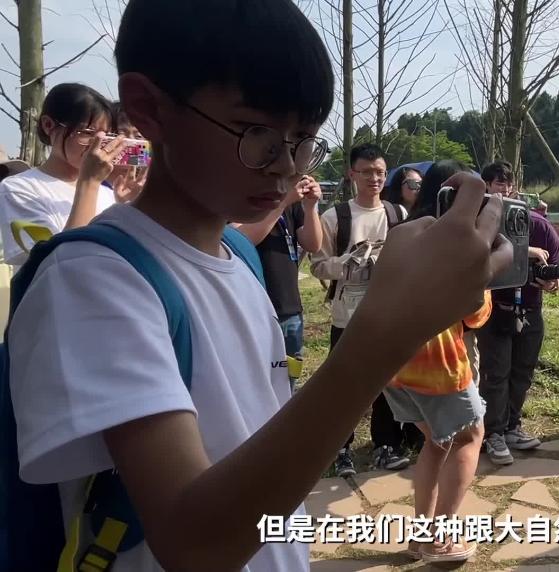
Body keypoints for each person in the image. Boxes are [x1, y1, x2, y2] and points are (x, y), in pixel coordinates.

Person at [6, 1, 511, 570]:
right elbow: (195, 545)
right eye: (259, 135)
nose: (287, 167)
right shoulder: (91, 279)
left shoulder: (239, 254)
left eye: (304, 141)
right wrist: (389, 332)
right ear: (149, 107)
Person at [394, 160, 491, 562]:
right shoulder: (458, 242)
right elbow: (473, 313)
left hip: (395, 360)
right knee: (470, 436)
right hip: (438, 361)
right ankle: (440, 538)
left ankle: (421, 536)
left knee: (438, 441)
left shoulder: (405, 232)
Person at [309, 143, 422, 476]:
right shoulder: (336, 217)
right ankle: (340, 448)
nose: (375, 178)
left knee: (389, 382)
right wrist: (347, 264)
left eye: (380, 172)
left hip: (389, 313)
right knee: (345, 385)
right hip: (348, 315)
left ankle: (385, 444)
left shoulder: (397, 214)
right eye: (367, 172)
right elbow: (317, 266)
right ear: (352, 174)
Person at [477, 160, 559, 465]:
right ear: (486, 186)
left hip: (530, 309)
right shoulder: (481, 223)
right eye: (498, 182)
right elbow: (478, 254)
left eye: (509, 183)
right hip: (495, 309)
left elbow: (556, 261)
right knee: (496, 373)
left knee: (523, 372)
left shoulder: (538, 223)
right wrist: (526, 252)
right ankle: (493, 432)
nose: (505, 188)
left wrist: (554, 280)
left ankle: (512, 425)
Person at [0, 83, 124, 267]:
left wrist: (130, 205)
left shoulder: (108, 193)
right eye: (87, 133)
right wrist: (89, 183)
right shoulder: (18, 189)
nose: (97, 145)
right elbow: (63, 262)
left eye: (105, 136)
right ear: (48, 125)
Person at [235, 175, 324, 390]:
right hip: (254, 311)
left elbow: (313, 244)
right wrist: (282, 203)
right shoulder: (242, 199)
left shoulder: (291, 206)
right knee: (256, 382)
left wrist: (310, 207)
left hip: (289, 309)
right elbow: (240, 240)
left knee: (286, 380)